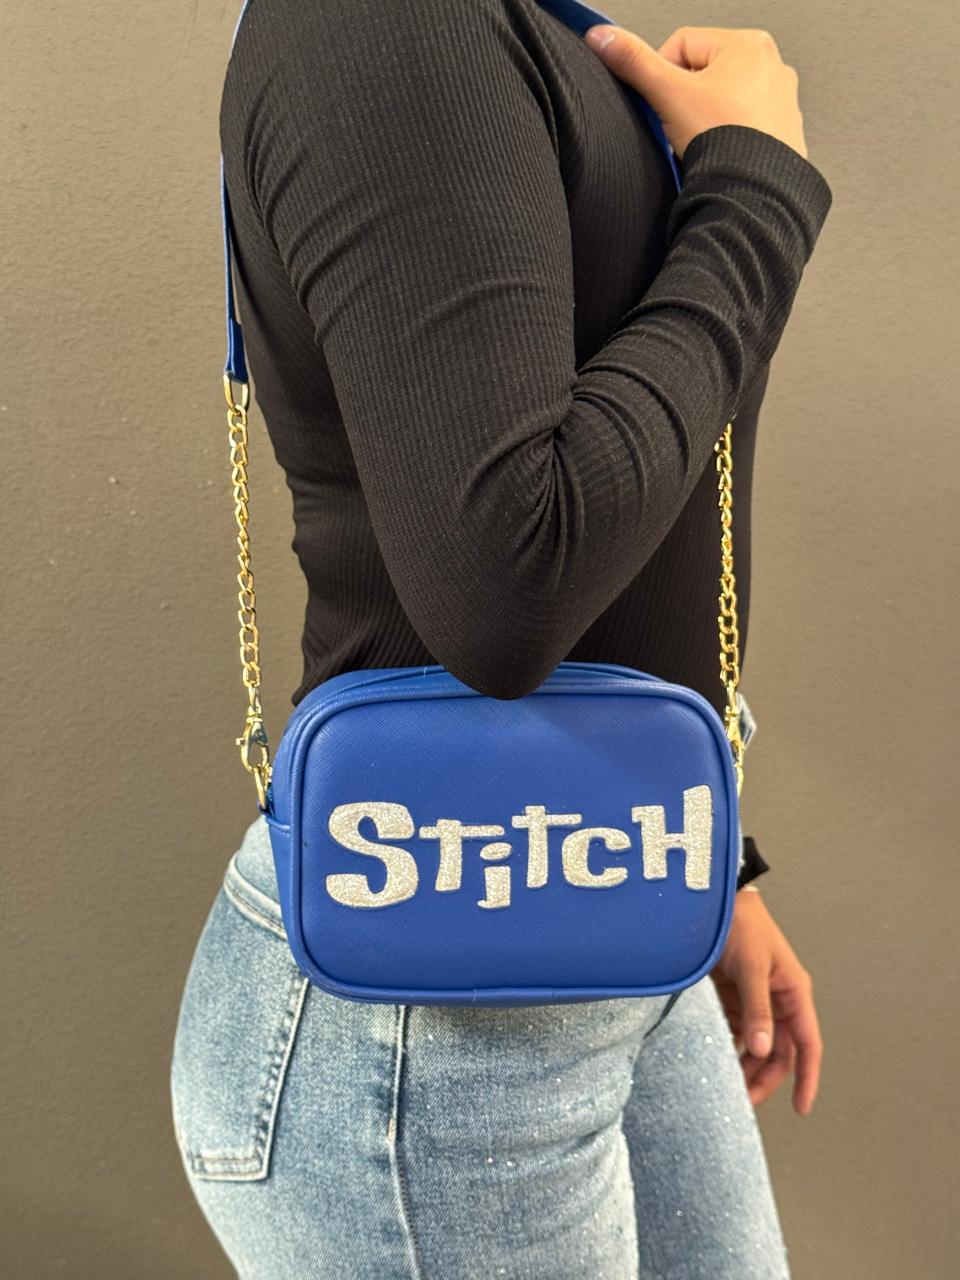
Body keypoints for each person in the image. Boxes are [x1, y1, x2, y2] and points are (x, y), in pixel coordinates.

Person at [170, 3, 832, 1276]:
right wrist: (754, 198)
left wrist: (707, 858)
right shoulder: (389, 28)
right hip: (423, 1034)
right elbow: (507, 578)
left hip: (610, 903)